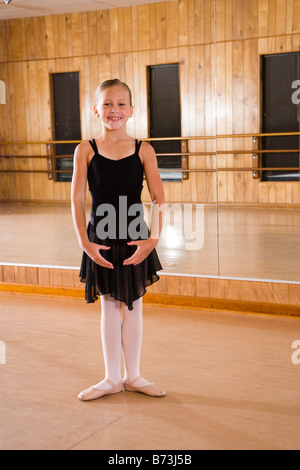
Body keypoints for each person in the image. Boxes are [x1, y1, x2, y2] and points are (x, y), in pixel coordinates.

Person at [71, 79, 166, 401]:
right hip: (101, 236)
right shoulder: (85, 150)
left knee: (134, 305)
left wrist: (152, 239)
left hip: (135, 236)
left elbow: (159, 198)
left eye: (121, 103)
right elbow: (76, 200)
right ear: (97, 110)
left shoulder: (144, 149)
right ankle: (111, 377)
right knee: (110, 307)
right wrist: (84, 241)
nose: (114, 110)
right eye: (108, 104)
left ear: (132, 110)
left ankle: (134, 375)